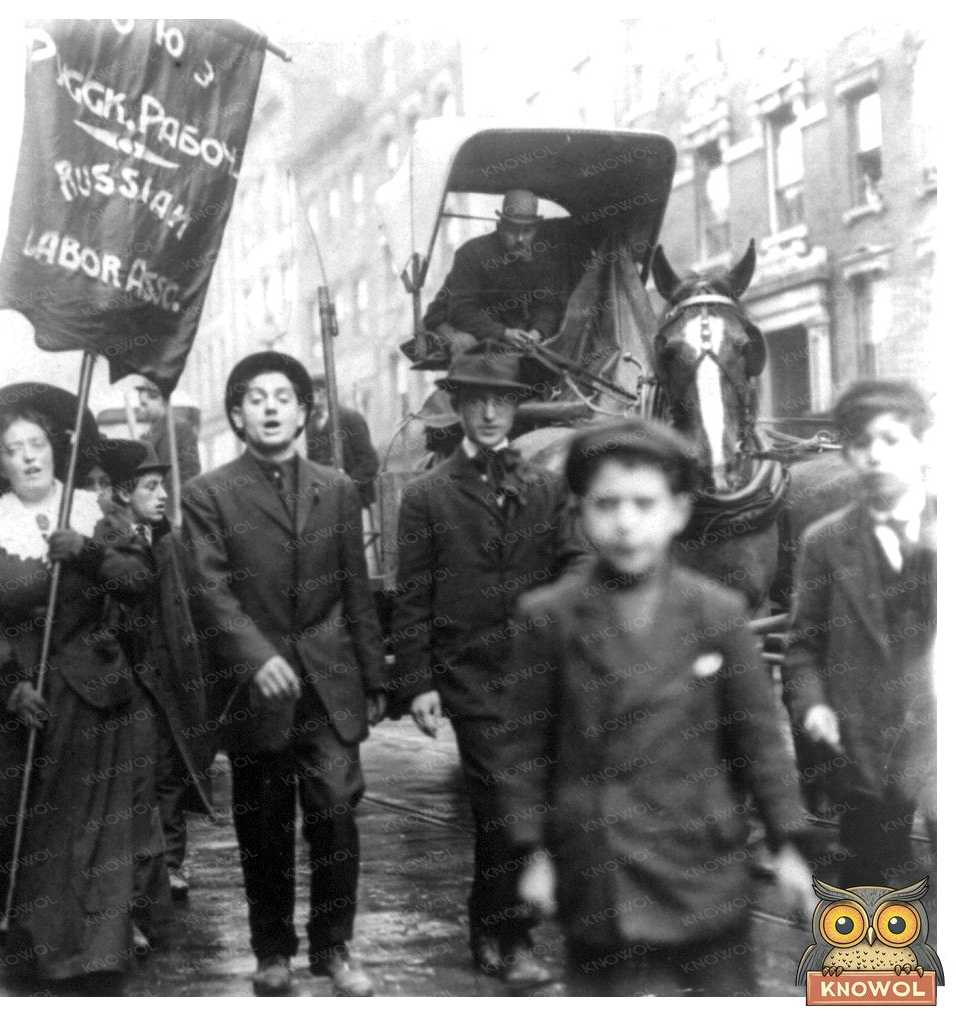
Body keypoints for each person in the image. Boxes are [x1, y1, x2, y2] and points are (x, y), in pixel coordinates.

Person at [498, 419, 816, 995]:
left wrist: (787, 844)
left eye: (645, 503)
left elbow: (759, 741)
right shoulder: (549, 616)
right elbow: (523, 750)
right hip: (600, 871)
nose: (625, 521)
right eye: (607, 504)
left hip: (703, 868)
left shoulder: (716, 613)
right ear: (580, 514)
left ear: (679, 512)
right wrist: (534, 852)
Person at [181, 351, 387, 997]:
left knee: (334, 813)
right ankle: (271, 949)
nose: (270, 408)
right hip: (255, 690)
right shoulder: (208, 495)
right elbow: (209, 592)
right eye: (255, 398)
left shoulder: (338, 488)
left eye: (283, 397)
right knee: (263, 823)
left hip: (327, 685)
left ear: (304, 412)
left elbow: (355, 589)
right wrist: (257, 656)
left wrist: (375, 679)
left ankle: (335, 946)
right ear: (237, 415)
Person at [0, 382, 153, 991]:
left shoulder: (95, 515)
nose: (30, 457)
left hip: (96, 694)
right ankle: (53, 952)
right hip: (26, 704)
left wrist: (87, 554)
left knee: (101, 828)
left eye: (38, 444)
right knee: (39, 830)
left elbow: (141, 579)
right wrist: (11, 686)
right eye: (14, 449)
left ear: (55, 450)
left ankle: (103, 951)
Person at [390, 345, 585, 985]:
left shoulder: (547, 487)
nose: (491, 413)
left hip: (536, 672)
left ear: (515, 407)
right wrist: (417, 681)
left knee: (526, 804)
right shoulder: (427, 495)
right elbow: (412, 594)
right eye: (478, 401)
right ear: (461, 406)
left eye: (502, 400)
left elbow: (576, 561)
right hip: (469, 673)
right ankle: (512, 936)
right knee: (502, 802)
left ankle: (494, 925)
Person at [784, 380, 936, 887]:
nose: (875, 457)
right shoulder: (826, 542)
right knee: (868, 883)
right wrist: (814, 706)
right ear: (847, 453)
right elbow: (803, 644)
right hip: (865, 743)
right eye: (861, 443)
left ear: (922, 445)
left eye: (891, 440)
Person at [104, 440, 216, 927]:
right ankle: (139, 873)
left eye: (163, 485)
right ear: (124, 492)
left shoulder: (166, 538)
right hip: (132, 678)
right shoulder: (106, 539)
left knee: (172, 770)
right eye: (150, 486)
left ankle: (171, 864)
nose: (162, 495)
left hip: (170, 674)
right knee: (141, 776)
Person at [423, 189, 576, 361]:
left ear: (535, 229)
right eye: (512, 231)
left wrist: (537, 332)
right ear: (499, 227)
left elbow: (547, 306)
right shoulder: (472, 253)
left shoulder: (541, 258)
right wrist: (503, 333)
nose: (520, 239)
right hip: (451, 320)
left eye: (527, 231)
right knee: (467, 346)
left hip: (499, 324)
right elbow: (461, 311)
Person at [305, 375, 379, 508]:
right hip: (324, 502)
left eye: (311, 393)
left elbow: (370, 462)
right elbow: (312, 461)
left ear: (323, 393)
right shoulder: (310, 424)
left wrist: (347, 485)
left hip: (355, 500)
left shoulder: (351, 418)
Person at [132, 376, 201, 486]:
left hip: (173, 499)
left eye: (144, 404)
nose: (141, 410)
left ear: (159, 399)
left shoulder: (180, 428)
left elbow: (190, 470)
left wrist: (156, 481)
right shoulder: (145, 437)